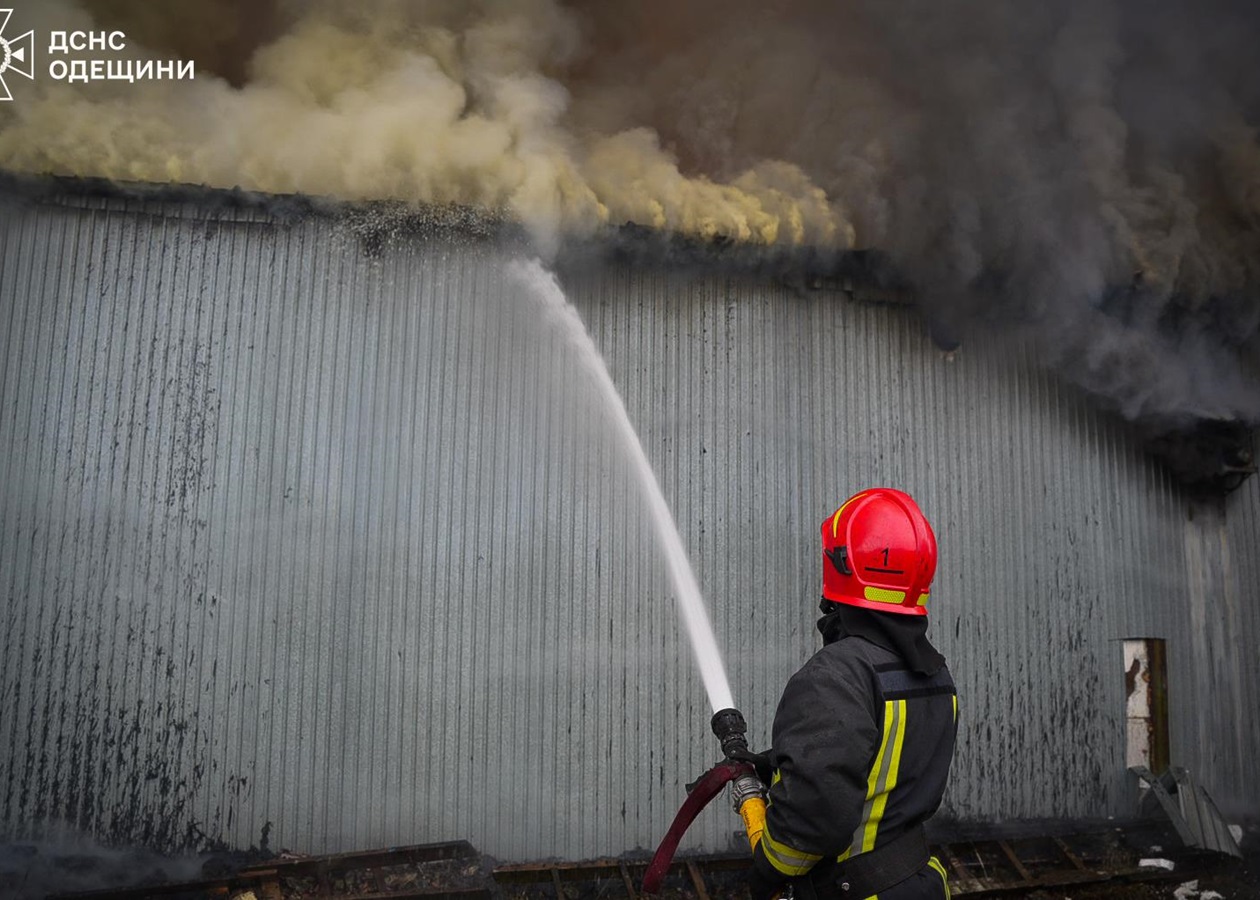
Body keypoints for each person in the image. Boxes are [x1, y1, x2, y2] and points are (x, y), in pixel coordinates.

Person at [746, 488, 958, 900]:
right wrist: (784, 763)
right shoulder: (934, 673)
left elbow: (810, 826)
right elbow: (883, 765)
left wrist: (767, 869)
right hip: (919, 883)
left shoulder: (836, 674)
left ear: (842, 566)